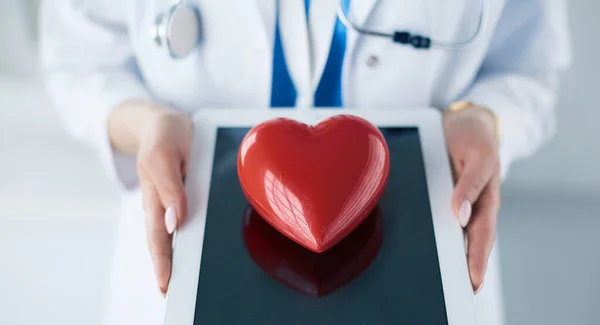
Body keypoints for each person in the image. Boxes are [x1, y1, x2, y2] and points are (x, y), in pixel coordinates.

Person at [39, 1, 571, 324]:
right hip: (186, 262)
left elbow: (530, 66)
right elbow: (79, 63)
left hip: (421, 267)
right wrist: (145, 124)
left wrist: (484, 118)